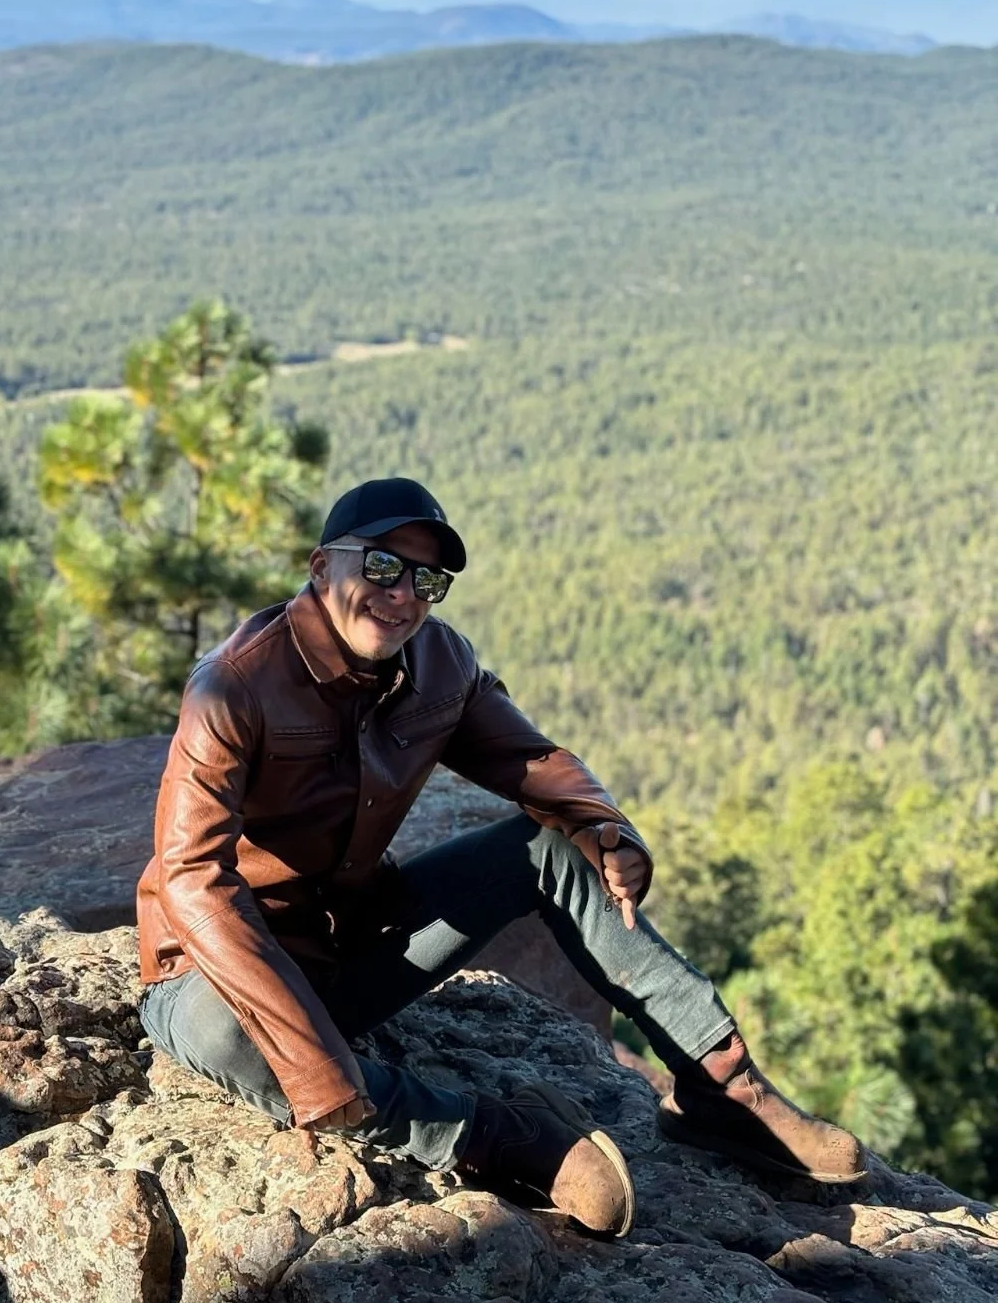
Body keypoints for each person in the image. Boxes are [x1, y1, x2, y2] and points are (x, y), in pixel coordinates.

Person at [137, 478, 866, 1236]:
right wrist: (312, 1060)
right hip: (213, 970)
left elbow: (527, 759)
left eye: (427, 580)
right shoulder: (236, 684)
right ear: (323, 568)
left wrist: (601, 823)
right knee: (232, 1038)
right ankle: (497, 1136)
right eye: (382, 567)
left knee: (546, 849)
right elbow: (193, 877)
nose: (403, 596)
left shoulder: (439, 663)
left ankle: (721, 1083)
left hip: (347, 941)